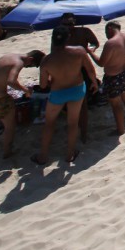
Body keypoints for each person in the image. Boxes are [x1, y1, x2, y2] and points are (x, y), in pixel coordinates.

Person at [33, 26, 98, 165]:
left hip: (58, 92)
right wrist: (94, 83)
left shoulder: (46, 61)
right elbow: (91, 70)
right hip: (77, 89)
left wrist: (52, 79)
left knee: (49, 123)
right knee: (73, 123)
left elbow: (43, 85)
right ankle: (70, 154)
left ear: (52, 39)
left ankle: (43, 156)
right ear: (68, 38)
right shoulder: (79, 51)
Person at [0, 50, 44, 158]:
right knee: (10, 127)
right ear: (31, 59)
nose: (27, 67)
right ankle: (7, 152)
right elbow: (11, 81)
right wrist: (26, 90)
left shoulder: (9, 56)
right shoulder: (19, 62)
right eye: (30, 66)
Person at [97, 21, 125, 135]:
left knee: (116, 103)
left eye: (106, 32)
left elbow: (101, 63)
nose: (106, 35)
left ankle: (121, 130)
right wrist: (124, 55)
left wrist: (90, 52)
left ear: (110, 28)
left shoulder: (111, 43)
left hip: (113, 76)